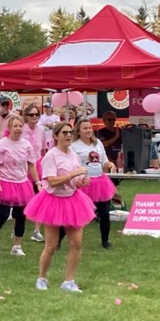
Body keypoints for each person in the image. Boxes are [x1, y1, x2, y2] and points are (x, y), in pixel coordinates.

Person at [24, 121, 97, 293]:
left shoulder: (74, 155)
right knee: (51, 245)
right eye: (64, 133)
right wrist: (72, 174)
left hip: (72, 200)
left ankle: (69, 281)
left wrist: (81, 182)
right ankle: (41, 277)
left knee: (77, 243)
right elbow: (51, 181)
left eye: (70, 132)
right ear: (56, 136)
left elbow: (75, 182)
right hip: (53, 201)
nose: (68, 136)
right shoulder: (51, 156)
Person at [0, 114, 39, 256]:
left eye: (20, 126)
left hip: (22, 183)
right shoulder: (2, 144)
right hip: (6, 183)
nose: (18, 129)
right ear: (9, 127)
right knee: (2, 214)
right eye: (15, 126)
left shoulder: (26, 145)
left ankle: (17, 246)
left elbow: (31, 165)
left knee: (20, 215)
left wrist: (37, 182)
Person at [71, 119, 118, 249]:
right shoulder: (74, 146)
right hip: (83, 182)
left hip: (99, 182)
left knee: (104, 213)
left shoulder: (98, 143)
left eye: (90, 128)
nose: (88, 130)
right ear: (78, 131)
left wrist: (109, 164)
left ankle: (105, 241)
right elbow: (72, 165)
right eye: (85, 128)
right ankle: (59, 240)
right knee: (76, 213)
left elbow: (104, 161)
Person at [20, 103, 48, 242]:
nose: (34, 117)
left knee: (40, 196)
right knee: (22, 197)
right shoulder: (21, 129)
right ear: (26, 116)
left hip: (37, 164)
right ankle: (17, 227)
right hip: (22, 166)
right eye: (31, 114)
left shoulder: (41, 130)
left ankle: (36, 230)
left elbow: (43, 148)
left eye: (37, 114)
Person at [95, 111, 124, 207]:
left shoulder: (120, 130)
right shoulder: (101, 132)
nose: (112, 122)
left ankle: (114, 198)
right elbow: (103, 144)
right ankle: (114, 197)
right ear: (104, 121)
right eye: (109, 120)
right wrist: (116, 136)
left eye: (113, 119)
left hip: (120, 158)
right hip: (107, 159)